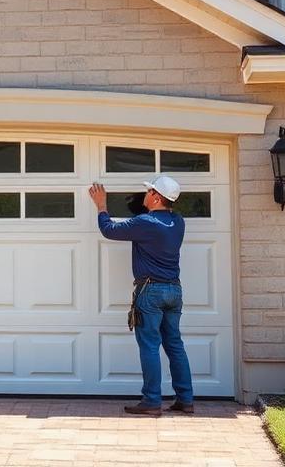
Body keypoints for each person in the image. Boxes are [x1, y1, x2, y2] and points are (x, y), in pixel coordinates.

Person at [88, 175, 194, 416]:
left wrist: (101, 206)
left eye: (149, 191)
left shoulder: (145, 223)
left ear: (156, 197)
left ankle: (152, 401)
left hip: (150, 291)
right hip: (173, 291)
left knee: (149, 346)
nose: (144, 195)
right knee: (175, 345)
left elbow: (109, 229)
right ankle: (185, 399)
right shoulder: (178, 222)